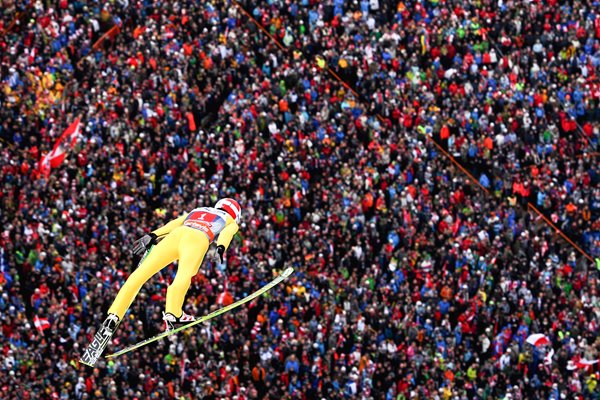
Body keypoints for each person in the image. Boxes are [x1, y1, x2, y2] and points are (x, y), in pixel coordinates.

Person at [80, 198, 241, 366]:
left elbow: (175, 223)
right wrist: (220, 248)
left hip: (176, 235)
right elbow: (227, 233)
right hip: (198, 238)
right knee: (185, 274)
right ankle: (173, 313)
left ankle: (114, 314)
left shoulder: (200, 210)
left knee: (140, 274)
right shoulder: (230, 220)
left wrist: (152, 235)